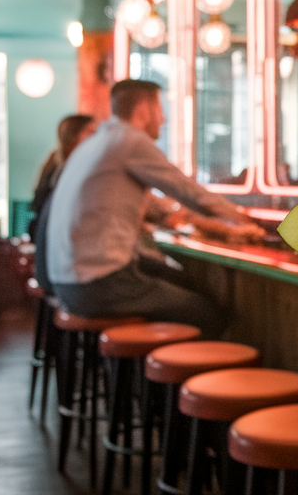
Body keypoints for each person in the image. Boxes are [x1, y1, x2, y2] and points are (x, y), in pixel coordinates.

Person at [47, 79, 264, 336]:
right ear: (144, 110)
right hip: (96, 284)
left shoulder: (98, 143)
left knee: (186, 282)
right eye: (160, 110)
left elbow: (157, 207)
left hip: (66, 283)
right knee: (205, 313)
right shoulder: (130, 141)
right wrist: (245, 219)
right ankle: (181, 376)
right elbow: (187, 191)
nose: (163, 120)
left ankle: (152, 373)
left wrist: (215, 222)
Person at [30, 114, 97, 240]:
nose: (95, 136)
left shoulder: (54, 159)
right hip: (54, 234)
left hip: (48, 232)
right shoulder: (72, 164)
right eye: (90, 131)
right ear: (74, 135)